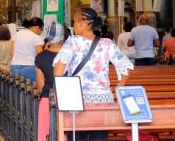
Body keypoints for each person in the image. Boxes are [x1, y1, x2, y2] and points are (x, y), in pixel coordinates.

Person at [53, 8, 134, 141]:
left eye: (75, 22)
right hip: (102, 100)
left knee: (77, 136)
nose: (73, 26)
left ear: (83, 23)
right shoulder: (107, 43)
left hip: (77, 100)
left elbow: (58, 72)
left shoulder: (72, 42)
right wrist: (118, 88)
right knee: (100, 137)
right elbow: (126, 67)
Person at [35, 21, 65, 141]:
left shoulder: (40, 57)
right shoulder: (70, 54)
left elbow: (40, 84)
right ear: (62, 37)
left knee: (44, 131)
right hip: (67, 98)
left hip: (48, 96)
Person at [10, 17, 44, 82]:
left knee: (15, 90)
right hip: (30, 67)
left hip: (15, 66)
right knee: (30, 90)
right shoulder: (37, 38)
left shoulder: (17, 34)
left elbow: (12, 53)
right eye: (41, 29)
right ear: (37, 27)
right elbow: (39, 57)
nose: (40, 32)